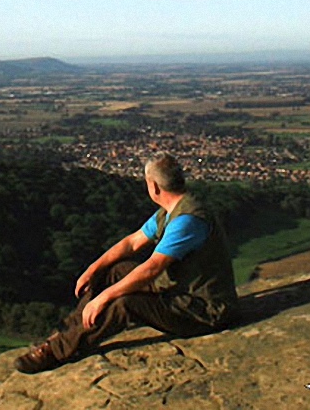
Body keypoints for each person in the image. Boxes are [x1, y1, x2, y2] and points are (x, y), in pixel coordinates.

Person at [14, 152, 238, 374]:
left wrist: (104, 297)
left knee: (125, 303)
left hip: (202, 311)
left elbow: (152, 268)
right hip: (178, 291)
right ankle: (62, 334)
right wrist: (93, 270)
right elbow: (131, 243)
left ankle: (58, 351)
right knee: (115, 271)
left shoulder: (187, 220)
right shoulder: (170, 212)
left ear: (154, 187)